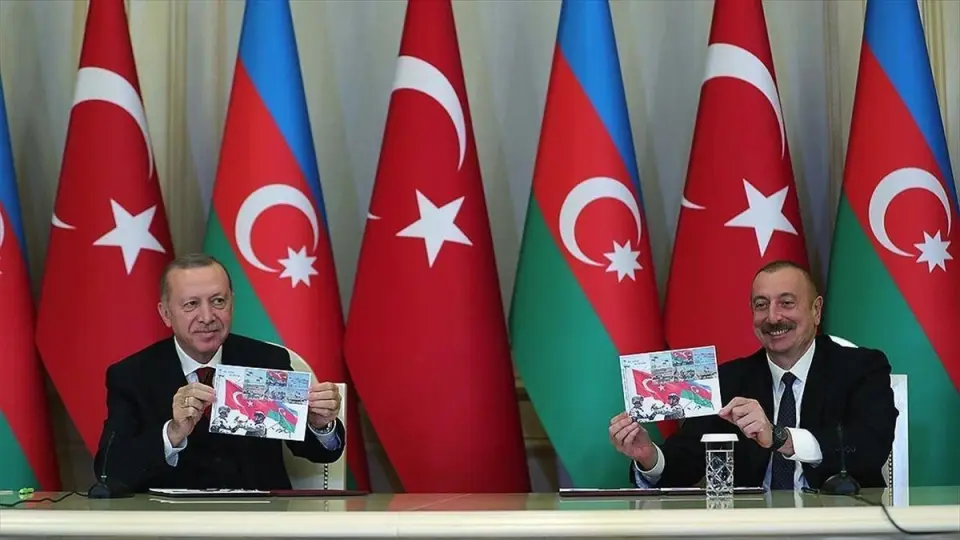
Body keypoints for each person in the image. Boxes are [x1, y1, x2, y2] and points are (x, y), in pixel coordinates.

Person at [609, 260, 898, 491]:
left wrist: (780, 437)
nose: (773, 317)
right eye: (761, 305)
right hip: (751, 528)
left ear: (816, 310)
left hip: (840, 525)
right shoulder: (729, 379)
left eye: (786, 303)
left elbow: (870, 446)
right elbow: (687, 461)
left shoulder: (861, 367)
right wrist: (649, 457)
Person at [93, 253, 346, 492]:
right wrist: (173, 433)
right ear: (166, 314)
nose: (207, 317)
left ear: (231, 305)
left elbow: (321, 453)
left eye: (218, 301)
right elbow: (109, 471)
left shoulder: (267, 360)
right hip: (171, 519)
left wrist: (319, 425)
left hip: (260, 517)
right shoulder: (132, 375)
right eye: (191, 304)